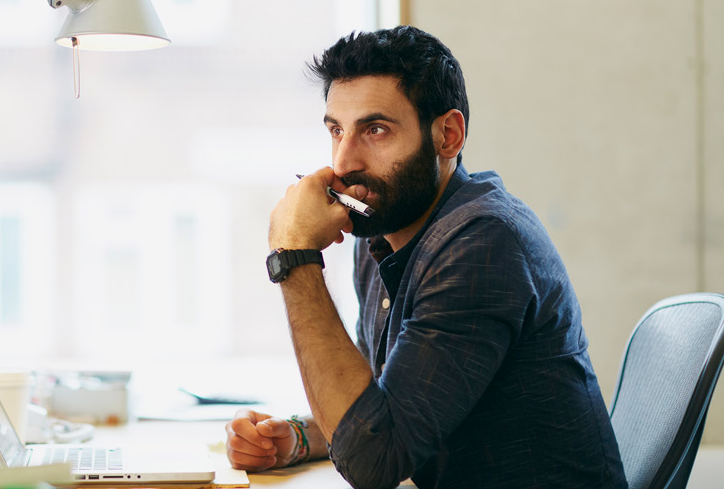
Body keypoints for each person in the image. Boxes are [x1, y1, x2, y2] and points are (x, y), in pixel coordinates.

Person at [225, 26, 626, 489]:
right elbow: (385, 409)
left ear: (448, 136)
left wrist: (294, 258)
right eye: (337, 130)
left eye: (375, 130)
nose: (344, 162)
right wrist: (294, 437)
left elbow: (375, 461)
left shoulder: (483, 242)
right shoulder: (380, 234)